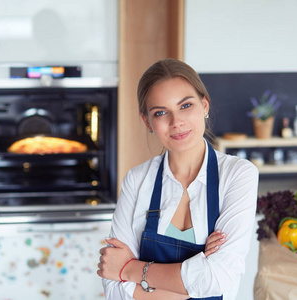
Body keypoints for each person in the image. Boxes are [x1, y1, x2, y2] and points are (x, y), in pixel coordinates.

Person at [97, 58, 258, 300]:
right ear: (147, 121)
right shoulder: (137, 180)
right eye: (161, 112)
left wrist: (130, 269)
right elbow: (114, 289)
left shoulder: (238, 175)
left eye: (185, 106)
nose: (176, 122)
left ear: (204, 105)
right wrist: (194, 277)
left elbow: (218, 278)